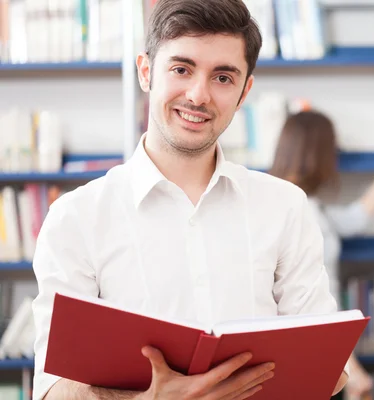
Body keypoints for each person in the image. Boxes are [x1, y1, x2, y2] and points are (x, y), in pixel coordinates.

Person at [30, 1, 349, 399]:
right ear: (146, 72)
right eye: (181, 69)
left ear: (244, 90)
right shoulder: (76, 219)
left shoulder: (284, 207)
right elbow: (52, 391)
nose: (198, 95)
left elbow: (330, 368)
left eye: (222, 77)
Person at [269, 110, 374, 399]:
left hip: (313, 358)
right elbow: (306, 310)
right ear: (318, 154)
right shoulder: (300, 214)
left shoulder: (297, 204)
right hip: (314, 359)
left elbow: (354, 218)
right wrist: (352, 369)